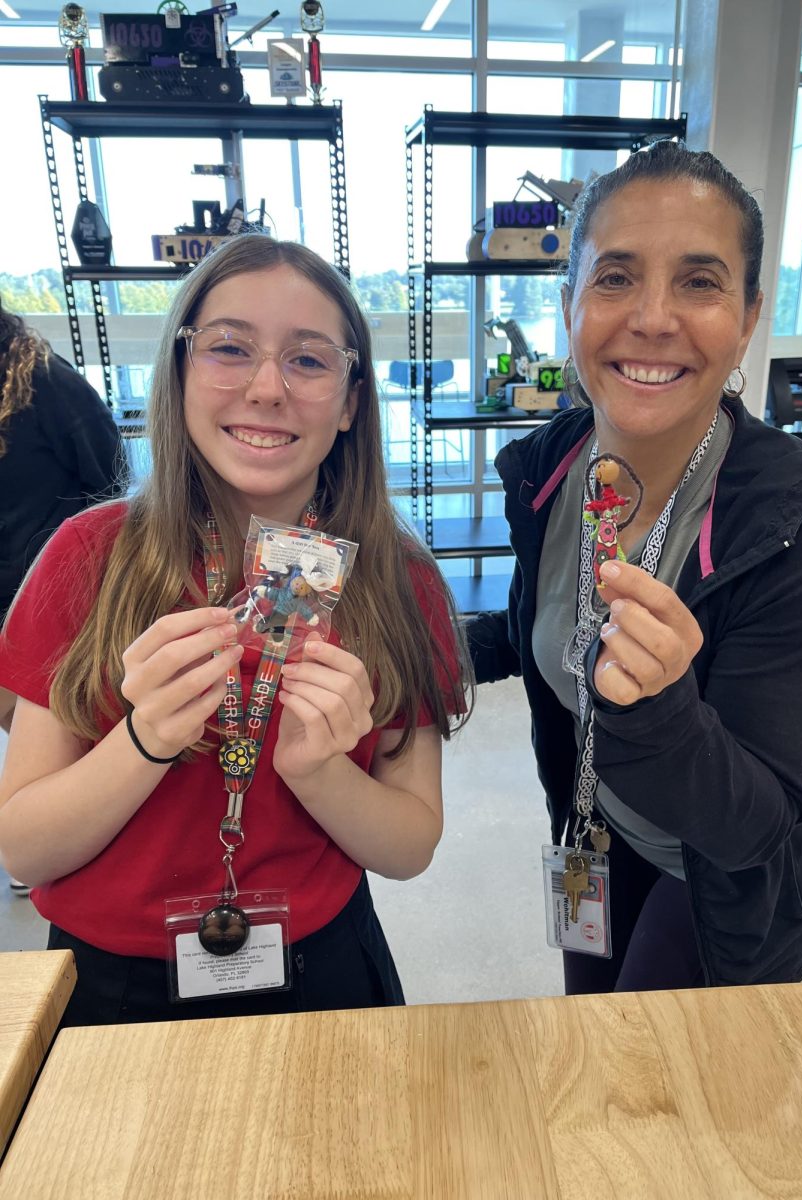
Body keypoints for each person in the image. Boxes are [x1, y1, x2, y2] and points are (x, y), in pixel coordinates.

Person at [0, 236, 471, 1024]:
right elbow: (24, 848)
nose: (266, 388)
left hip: (324, 964)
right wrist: (144, 738)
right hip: (110, 985)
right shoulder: (86, 559)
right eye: (228, 348)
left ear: (353, 400)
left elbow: (410, 843)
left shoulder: (399, 579)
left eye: (310, 361)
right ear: (180, 371)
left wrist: (322, 772)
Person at [467, 141, 802, 993]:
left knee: (658, 1097)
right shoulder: (550, 467)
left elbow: (754, 828)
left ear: (750, 315)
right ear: (568, 299)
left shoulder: (796, 520)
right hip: (596, 831)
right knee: (589, 1054)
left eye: (700, 281)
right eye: (614, 277)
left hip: (725, 884)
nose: (653, 317)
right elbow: (542, 626)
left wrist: (656, 704)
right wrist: (428, 646)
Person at [0, 300, 124, 737]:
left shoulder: (43, 381)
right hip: (8, 598)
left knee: (69, 737)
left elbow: (112, 480)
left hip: (55, 599)